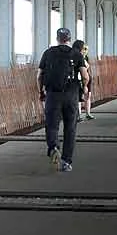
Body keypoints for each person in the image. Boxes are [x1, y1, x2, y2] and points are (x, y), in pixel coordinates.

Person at [38, 28, 86, 171]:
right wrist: (84, 89)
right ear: (69, 39)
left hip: (53, 94)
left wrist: (41, 91)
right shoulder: (76, 54)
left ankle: (53, 147)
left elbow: (39, 75)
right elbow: (85, 75)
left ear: (57, 38)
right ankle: (66, 162)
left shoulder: (48, 53)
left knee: (52, 125)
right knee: (70, 128)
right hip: (71, 95)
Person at [74, 40, 96, 121]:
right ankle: (78, 115)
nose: (85, 51)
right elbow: (84, 67)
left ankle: (88, 113)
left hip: (86, 78)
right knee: (79, 98)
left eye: (86, 49)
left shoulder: (85, 57)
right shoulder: (77, 56)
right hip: (80, 78)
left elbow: (87, 67)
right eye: (84, 49)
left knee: (88, 96)